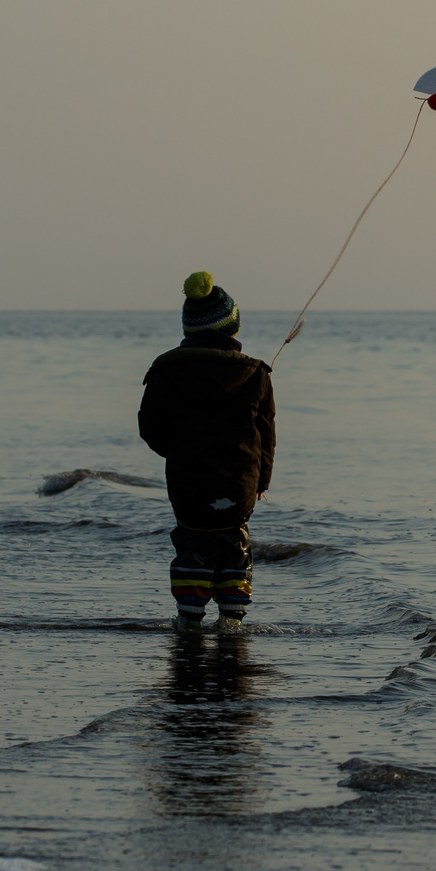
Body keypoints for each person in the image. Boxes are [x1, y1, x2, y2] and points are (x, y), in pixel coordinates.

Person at [138, 271, 275, 632]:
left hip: (188, 480)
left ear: (189, 329)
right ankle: (232, 618)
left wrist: (178, 452)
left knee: (193, 540)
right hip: (241, 481)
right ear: (232, 329)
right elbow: (266, 434)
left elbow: (149, 428)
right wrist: (262, 479)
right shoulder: (257, 373)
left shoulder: (165, 370)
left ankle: (189, 615)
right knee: (235, 541)